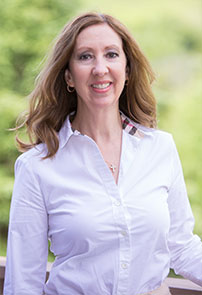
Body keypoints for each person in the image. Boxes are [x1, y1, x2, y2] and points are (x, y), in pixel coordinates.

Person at [3, 12, 202, 295]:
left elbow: (181, 246)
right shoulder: (37, 167)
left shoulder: (160, 148)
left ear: (127, 69)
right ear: (69, 76)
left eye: (111, 54)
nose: (100, 68)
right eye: (85, 56)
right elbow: (23, 282)